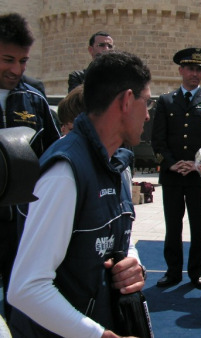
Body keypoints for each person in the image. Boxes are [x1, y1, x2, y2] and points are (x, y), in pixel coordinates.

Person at [8, 50, 150, 337]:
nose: (148, 114)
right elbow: (26, 288)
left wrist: (132, 263)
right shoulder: (65, 172)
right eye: (146, 102)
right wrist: (96, 335)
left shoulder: (117, 163)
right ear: (125, 101)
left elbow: (118, 236)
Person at [0, 12, 61, 320]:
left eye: (22, 61)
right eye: (8, 60)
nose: (16, 69)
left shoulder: (32, 97)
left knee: (18, 296)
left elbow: (53, 153)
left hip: (20, 223)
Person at [151, 47, 201, 290]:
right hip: (172, 175)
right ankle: (172, 271)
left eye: (199, 69)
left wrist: (197, 164)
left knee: (199, 226)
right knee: (173, 225)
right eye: (190, 68)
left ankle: (199, 272)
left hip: (197, 177)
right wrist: (171, 163)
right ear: (181, 70)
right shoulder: (166, 101)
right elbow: (157, 139)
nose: (195, 73)